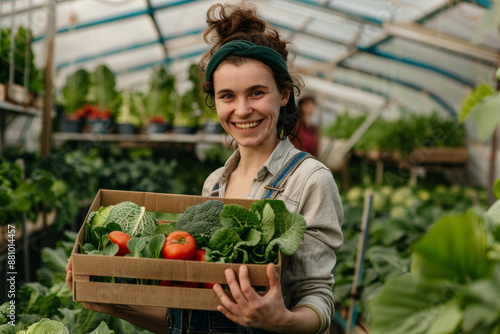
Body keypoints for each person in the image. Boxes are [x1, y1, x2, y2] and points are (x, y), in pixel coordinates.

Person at [66, 3, 343, 334]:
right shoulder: (214, 185)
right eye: (227, 96)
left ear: (283, 94)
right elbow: (189, 317)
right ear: (216, 102)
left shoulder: (310, 180)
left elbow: (319, 299)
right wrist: (116, 304)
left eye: (256, 93)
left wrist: (278, 319)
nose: (242, 110)